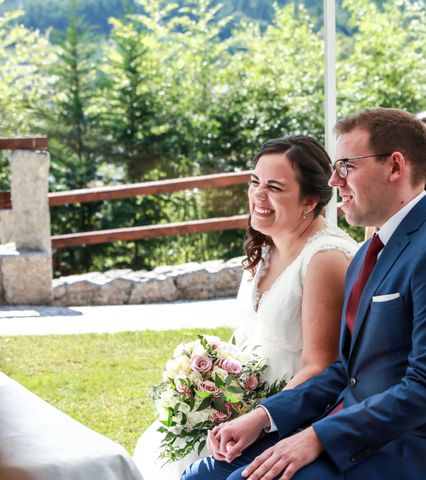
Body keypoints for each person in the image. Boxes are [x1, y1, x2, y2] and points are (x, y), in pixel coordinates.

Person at [182, 107, 426, 480]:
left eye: (346, 166)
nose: (333, 181)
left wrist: (316, 437)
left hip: (420, 449)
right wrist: (264, 417)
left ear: (395, 167)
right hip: (354, 428)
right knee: (203, 474)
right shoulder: (371, 250)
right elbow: (347, 371)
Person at [133, 135, 357, 479]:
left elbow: (321, 365)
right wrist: (213, 383)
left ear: (310, 201)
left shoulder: (324, 259)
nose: (258, 195)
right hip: (242, 405)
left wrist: (257, 415)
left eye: (274, 187)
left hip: (289, 413)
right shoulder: (267, 246)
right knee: (161, 449)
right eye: (255, 182)